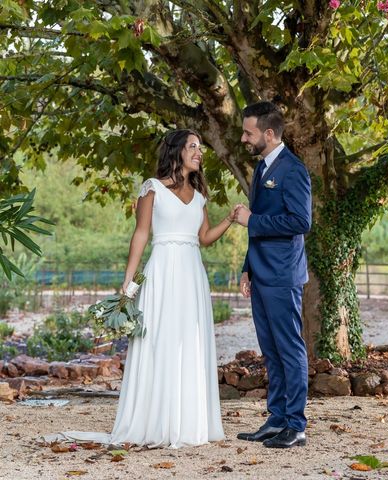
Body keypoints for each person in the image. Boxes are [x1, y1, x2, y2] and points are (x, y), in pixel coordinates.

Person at [45, 129, 231, 448]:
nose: (200, 152)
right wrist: (128, 282)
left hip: (192, 274)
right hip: (162, 271)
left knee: (190, 342)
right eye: (193, 146)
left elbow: (203, 238)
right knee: (160, 341)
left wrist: (229, 219)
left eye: (201, 147)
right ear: (176, 151)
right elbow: (141, 235)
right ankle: (156, 421)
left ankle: (189, 423)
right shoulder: (152, 188)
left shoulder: (200, 196)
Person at [234, 101, 312, 449]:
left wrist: (252, 220)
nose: (243, 137)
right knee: (271, 350)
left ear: (269, 133)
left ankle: (296, 425)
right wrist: (247, 268)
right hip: (262, 273)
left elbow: (300, 221)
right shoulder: (261, 168)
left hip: (283, 275)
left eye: (248, 132)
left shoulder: (293, 170)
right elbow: (261, 223)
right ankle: (277, 418)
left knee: (289, 349)